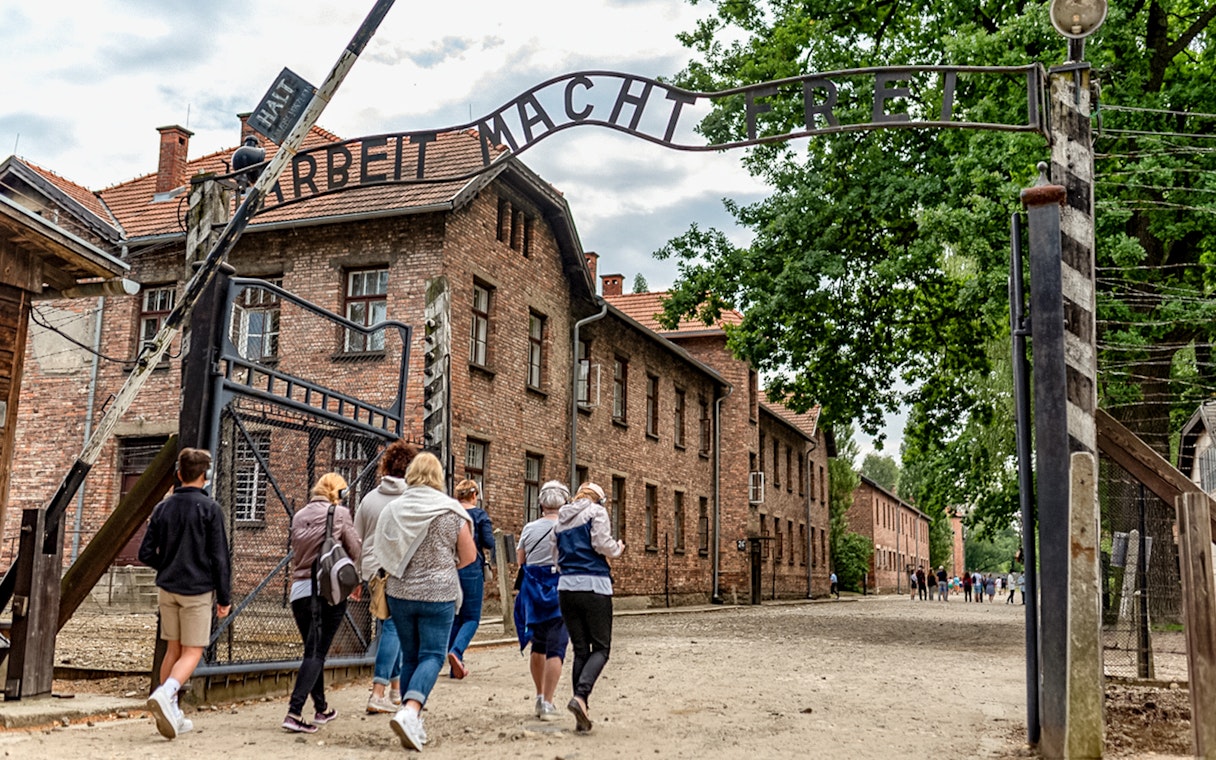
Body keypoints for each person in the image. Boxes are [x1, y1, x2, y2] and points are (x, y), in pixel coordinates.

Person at [374, 452, 477, 751]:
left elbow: (382, 548)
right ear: (438, 476)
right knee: (432, 655)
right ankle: (411, 711)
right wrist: (442, 568)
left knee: (411, 656)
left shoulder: (394, 509)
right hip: (438, 594)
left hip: (400, 592)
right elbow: (468, 557)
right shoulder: (451, 511)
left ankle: (412, 723)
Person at [140, 447, 232, 740]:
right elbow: (220, 557)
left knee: (173, 649)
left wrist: (166, 564)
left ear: (179, 474)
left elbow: (145, 552)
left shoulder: (162, 508)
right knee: (193, 651)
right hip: (197, 590)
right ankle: (166, 694)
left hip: (168, 588)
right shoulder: (210, 510)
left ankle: (173, 711)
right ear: (206, 476)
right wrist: (224, 597)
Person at [282, 472, 362, 733]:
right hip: (325, 593)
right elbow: (355, 550)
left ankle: (321, 709)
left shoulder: (299, 515)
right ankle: (294, 712)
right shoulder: (338, 513)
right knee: (315, 652)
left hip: (299, 591)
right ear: (339, 493)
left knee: (312, 650)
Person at [553, 482, 625, 733]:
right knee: (602, 648)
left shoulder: (560, 520)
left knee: (581, 650)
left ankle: (580, 710)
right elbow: (601, 544)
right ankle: (582, 696)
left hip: (566, 588)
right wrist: (617, 549)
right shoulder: (597, 512)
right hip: (594, 585)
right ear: (598, 499)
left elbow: (556, 557)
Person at [354, 440, 417, 714]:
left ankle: (395, 689)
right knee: (394, 629)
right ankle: (378, 692)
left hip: (372, 570)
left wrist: (358, 576)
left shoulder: (369, 498)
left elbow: (357, 538)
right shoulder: (412, 499)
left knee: (391, 628)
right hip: (399, 569)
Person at [514, 480, 571, 720]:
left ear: (541, 504)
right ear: (565, 503)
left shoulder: (529, 528)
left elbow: (520, 560)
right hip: (559, 589)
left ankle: (539, 696)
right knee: (556, 646)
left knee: (538, 643)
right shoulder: (568, 528)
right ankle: (548, 702)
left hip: (534, 590)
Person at [447, 478, 496, 678]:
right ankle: (456, 652)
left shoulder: (450, 513)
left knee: (456, 617)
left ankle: (454, 666)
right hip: (471, 567)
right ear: (474, 495)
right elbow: (489, 542)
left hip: (450, 568)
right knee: (472, 617)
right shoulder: (479, 514)